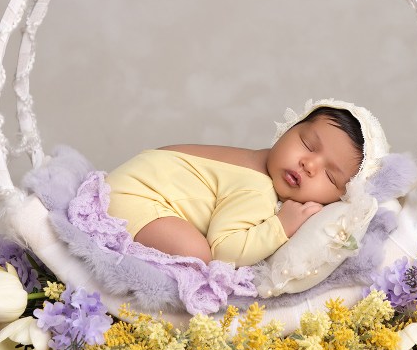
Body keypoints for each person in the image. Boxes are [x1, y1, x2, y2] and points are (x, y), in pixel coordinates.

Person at [105, 99, 388, 267]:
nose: (309, 165)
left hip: (130, 181)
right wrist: (279, 227)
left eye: (330, 175)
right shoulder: (257, 187)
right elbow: (223, 249)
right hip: (134, 197)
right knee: (198, 255)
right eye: (307, 144)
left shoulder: (255, 158)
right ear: (287, 130)